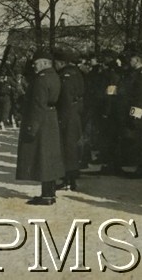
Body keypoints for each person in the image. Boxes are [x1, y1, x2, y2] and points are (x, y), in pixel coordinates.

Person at [16, 50, 64, 205]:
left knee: (42, 158)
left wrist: (32, 127)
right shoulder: (54, 76)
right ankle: (50, 192)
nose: (33, 65)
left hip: (41, 121)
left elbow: (37, 106)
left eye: (36, 63)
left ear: (44, 63)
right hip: (50, 119)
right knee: (49, 158)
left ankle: (46, 196)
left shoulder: (41, 80)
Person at [54, 49, 84, 190]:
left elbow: (65, 98)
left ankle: (68, 179)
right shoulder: (77, 73)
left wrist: (61, 117)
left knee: (67, 147)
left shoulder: (65, 75)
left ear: (61, 62)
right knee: (72, 146)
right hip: (75, 114)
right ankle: (72, 178)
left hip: (66, 115)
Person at [124, 50, 142, 179]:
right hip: (137, 111)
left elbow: (140, 98)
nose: (130, 62)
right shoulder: (135, 74)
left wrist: (135, 115)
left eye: (132, 60)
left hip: (141, 113)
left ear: (137, 61)